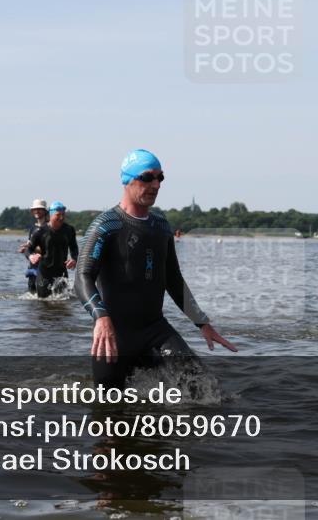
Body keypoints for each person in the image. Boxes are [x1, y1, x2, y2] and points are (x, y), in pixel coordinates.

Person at [74, 149, 237, 389]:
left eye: (160, 178)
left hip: (156, 331)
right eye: (147, 177)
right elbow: (82, 277)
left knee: (204, 389)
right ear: (127, 180)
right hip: (115, 336)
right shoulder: (106, 225)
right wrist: (101, 318)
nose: (155, 185)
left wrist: (202, 323)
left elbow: (173, 279)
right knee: (109, 413)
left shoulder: (161, 226)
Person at [26, 201, 79, 298]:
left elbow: (74, 249)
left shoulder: (69, 230)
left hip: (61, 274)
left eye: (63, 214)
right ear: (51, 215)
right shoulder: (40, 231)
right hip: (44, 274)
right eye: (58, 215)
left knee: (64, 302)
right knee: (43, 303)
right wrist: (31, 256)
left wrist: (74, 259)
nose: (61, 218)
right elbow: (28, 249)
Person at [19, 199, 49, 293]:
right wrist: (26, 249)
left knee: (45, 294)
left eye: (39, 209)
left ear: (45, 211)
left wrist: (32, 248)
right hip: (32, 266)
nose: (37, 211)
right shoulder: (32, 229)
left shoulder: (49, 227)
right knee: (31, 294)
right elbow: (31, 245)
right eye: (35, 209)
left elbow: (49, 247)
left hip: (45, 267)